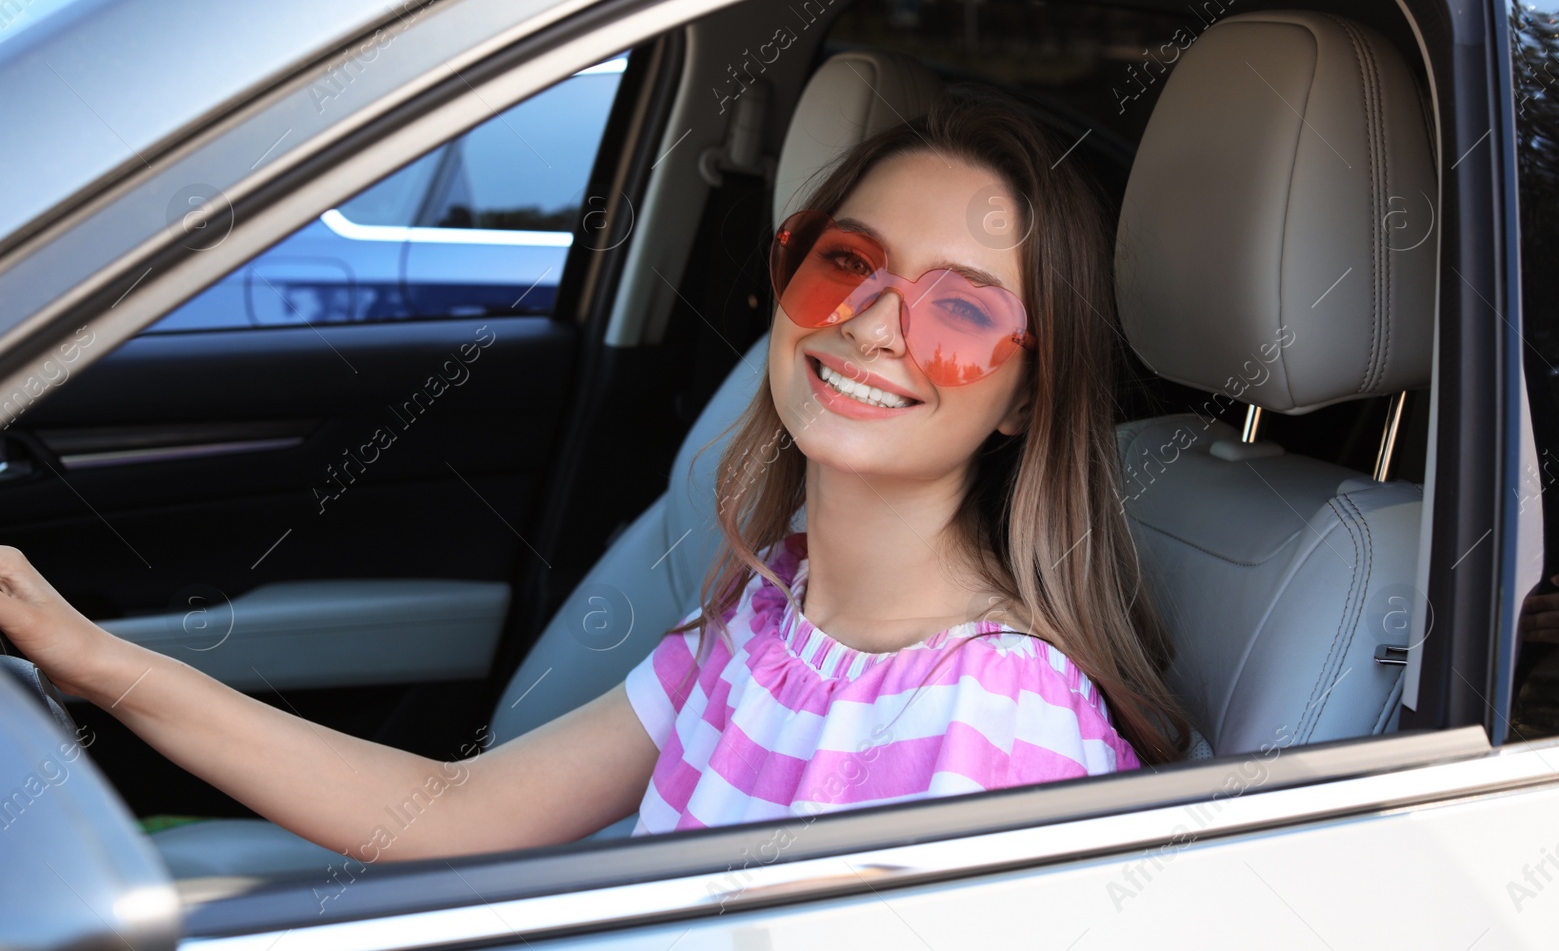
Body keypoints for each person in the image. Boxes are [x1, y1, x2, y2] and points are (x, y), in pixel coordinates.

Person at [0, 90, 1191, 858]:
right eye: (845, 264)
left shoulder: (1001, 722)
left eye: (958, 311)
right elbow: (452, 814)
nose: (876, 325)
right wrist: (93, 657)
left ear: (1026, 394)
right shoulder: (767, 616)